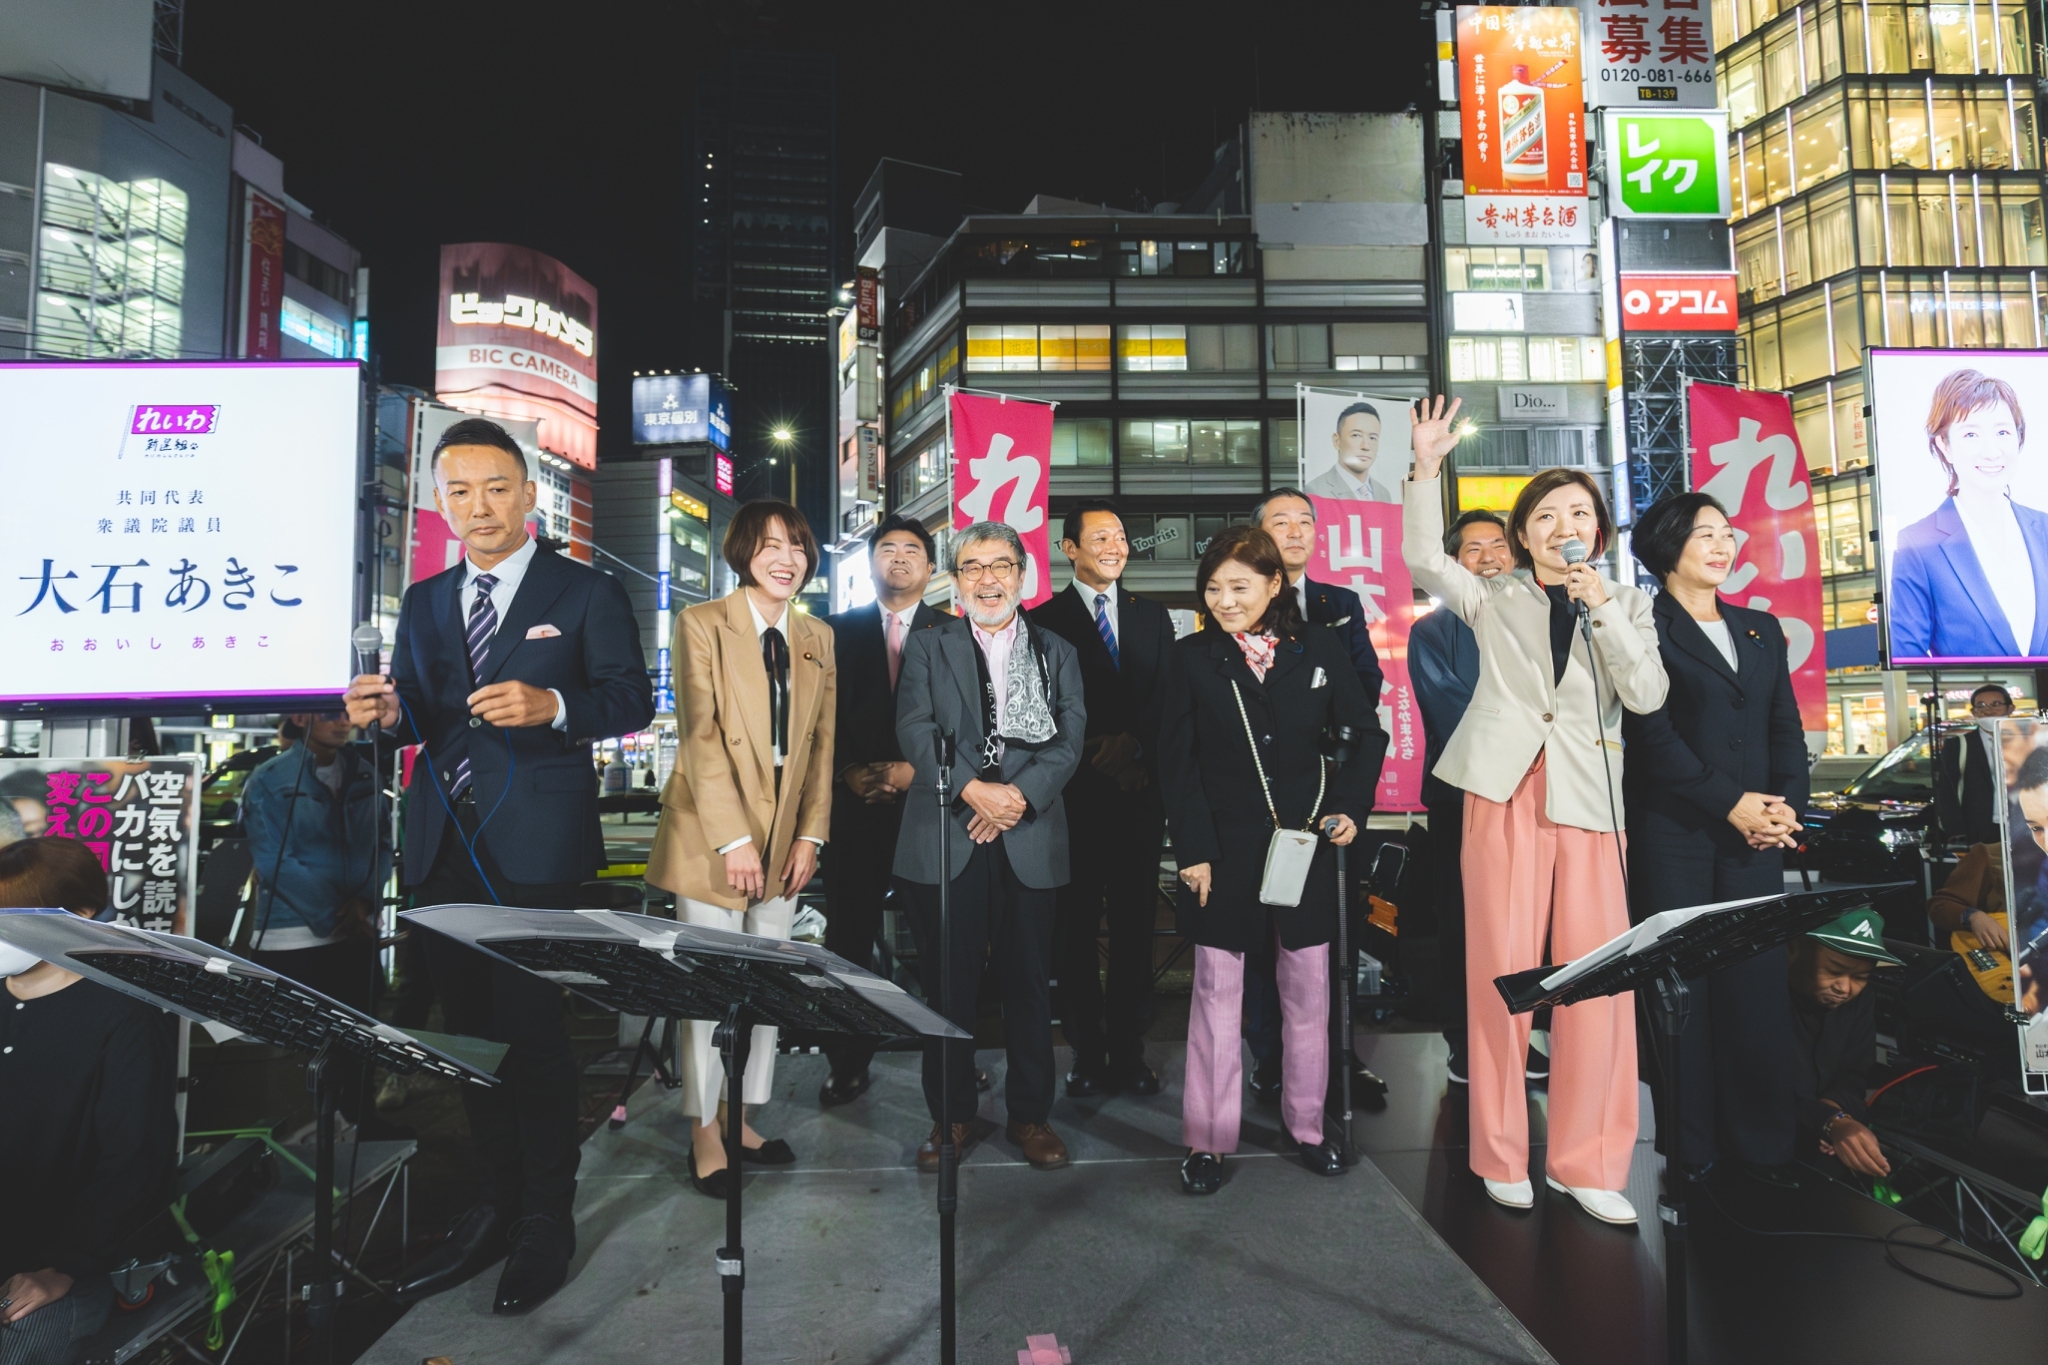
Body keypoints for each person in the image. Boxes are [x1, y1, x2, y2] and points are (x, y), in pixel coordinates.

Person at [345, 417, 654, 1314]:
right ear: (442, 501)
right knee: (464, 1037)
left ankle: (544, 1219)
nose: (476, 506)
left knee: (535, 1034)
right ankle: (495, 1201)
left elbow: (630, 697)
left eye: (493, 488)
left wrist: (552, 701)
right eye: (458, 491)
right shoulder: (427, 600)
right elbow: (421, 720)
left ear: (526, 494)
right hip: (441, 842)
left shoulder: (585, 591)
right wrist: (383, 713)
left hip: (534, 849)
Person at [1404, 395, 1668, 1222]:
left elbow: (1648, 694)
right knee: (1502, 977)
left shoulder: (1625, 604)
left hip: (1591, 800)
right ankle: (1500, 1151)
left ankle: (1589, 1163)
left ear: (1598, 530)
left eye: (1580, 512)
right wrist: (1424, 469)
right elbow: (1420, 558)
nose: (1565, 523)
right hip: (1502, 792)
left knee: (1598, 983)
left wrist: (1601, 609)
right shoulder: (1494, 594)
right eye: (1547, 514)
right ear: (1523, 535)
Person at [1160, 527, 1386, 1193]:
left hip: (1306, 847)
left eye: (1240, 586)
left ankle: (1309, 1125)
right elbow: (1179, 765)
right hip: (1223, 855)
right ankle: (1207, 1138)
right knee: (1215, 999)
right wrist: (1193, 852)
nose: (1225, 600)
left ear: (1274, 585)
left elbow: (1366, 732)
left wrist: (1349, 805)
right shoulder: (1192, 657)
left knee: (1311, 994)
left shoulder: (1317, 648)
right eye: (1214, 588)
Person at [646, 500, 836, 1191]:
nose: (787, 558)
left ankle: (738, 1117)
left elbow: (819, 748)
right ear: (742, 554)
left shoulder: (817, 635)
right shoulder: (703, 623)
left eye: (797, 545)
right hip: (710, 834)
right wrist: (733, 838)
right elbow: (698, 735)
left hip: (786, 836)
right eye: (770, 546)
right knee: (710, 988)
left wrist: (811, 833)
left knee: (765, 985)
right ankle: (703, 1131)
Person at [1620, 492, 1808, 1187]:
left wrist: (1788, 809)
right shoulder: (1644, 624)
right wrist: (1730, 802)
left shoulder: (1761, 629)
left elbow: (1783, 728)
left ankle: (1764, 1146)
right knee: (1685, 995)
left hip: (1756, 837)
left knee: (1756, 989)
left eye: (1728, 534)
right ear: (1668, 546)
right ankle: (1690, 1148)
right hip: (1676, 834)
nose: (1723, 546)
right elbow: (1652, 738)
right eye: (1706, 535)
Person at [893, 521, 1085, 1173]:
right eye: (972, 567)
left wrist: (1015, 800)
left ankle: (1032, 1115)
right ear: (955, 579)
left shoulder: (1055, 649)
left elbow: (1068, 740)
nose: (987, 579)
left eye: (1000, 564)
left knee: (1031, 982)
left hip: (1029, 835)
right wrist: (975, 790)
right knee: (946, 987)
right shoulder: (929, 644)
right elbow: (914, 726)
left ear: (1023, 573)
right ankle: (949, 1117)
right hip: (944, 837)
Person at [0, 837, 178, 1365]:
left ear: (78, 915)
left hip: (69, 1262)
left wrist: (65, 1266)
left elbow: (136, 1159)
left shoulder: (123, 1018)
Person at [1030, 499, 1180, 1097]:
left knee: (1136, 929)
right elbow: (1036, 711)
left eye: (1120, 535)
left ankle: (1129, 1050)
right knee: (1072, 934)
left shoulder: (1154, 617)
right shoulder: (1042, 620)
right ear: (1070, 548)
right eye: (1100, 537)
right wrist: (1095, 750)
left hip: (1141, 796)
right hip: (1073, 801)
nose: (1114, 545)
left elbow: (1170, 700)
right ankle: (1086, 1053)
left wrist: (1136, 750)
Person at [1251, 487, 1389, 1107]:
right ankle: (1271, 1056)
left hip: (1332, 791)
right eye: (1281, 522)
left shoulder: (1340, 603)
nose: (1296, 530)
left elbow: (1367, 684)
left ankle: (1340, 1055)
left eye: (1305, 520)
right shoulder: (1241, 600)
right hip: (1264, 794)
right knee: (1264, 935)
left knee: (1335, 932)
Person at [818, 514, 946, 1106]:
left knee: (946, 943)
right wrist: (848, 771)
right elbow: (816, 719)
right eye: (887, 548)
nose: (898, 557)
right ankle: (846, 1060)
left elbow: (969, 726)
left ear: (930, 564)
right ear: (869, 563)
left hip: (933, 813)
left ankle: (951, 1060)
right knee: (848, 939)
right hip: (854, 808)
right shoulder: (831, 633)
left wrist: (915, 773)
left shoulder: (956, 633)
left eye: (912, 549)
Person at [240, 709, 396, 1134]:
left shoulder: (365, 773)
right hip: (292, 935)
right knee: (305, 1042)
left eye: (347, 714)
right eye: (330, 714)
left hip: (355, 930)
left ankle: (360, 1121)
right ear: (300, 716)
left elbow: (382, 845)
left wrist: (364, 903)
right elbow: (274, 860)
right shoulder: (269, 779)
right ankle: (310, 1131)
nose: (343, 722)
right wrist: (335, 914)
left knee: (362, 1033)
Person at [1409, 510, 1514, 1085]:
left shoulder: (1541, 616)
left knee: (1525, 926)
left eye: (1498, 544)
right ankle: (1466, 1044)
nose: (1489, 556)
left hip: (1535, 799)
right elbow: (1452, 714)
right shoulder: (1432, 631)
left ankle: (1521, 1039)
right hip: (1463, 800)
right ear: (1451, 564)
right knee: (1466, 926)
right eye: (1472, 549)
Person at [1889, 369, 2048, 659]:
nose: (1991, 451)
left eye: (2002, 432)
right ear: (1944, 446)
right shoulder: (1917, 544)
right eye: (1971, 434)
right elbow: (1907, 658)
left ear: (2018, 438)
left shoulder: (2045, 530)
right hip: (1969, 703)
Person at [1787, 909, 1903, 1182]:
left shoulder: (1860, 1002)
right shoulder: (1759, 996)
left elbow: (1855, 1073)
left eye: (1861, 977)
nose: (1845, 988)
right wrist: (1828, 1120)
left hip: (1817, 1152)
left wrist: (1837, 1115)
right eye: (1834, 971)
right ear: (1792, 950)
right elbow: (1754, 1088)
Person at [1937, 684, 2016, 847]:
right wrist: (1956, 833)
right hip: (1980, 831)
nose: (1988, 710)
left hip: (2022, 828)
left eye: (1996, 704)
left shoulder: (2027, 741)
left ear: (2010, 709)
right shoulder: (1958, 746)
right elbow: (1946, 792)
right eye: (1980, 706)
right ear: (1973, 712)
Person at [1304, 401, 1399, 503]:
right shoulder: (1316, 491)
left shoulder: (1383, 493)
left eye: (1372, 438)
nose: (1365, 446)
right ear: (1337, 441)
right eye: (1356, 435)